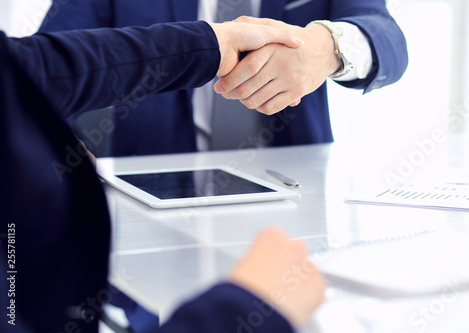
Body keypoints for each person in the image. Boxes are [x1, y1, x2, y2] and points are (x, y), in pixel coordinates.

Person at [0, 21, 326, 333]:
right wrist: (242, 308)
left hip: (299, 217)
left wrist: (212, 44)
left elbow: (32, 66)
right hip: (153, 257)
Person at [39, 0, 409, 155]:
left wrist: (329, 45)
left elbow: (387, 38)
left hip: (294, 198)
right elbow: (46, 68)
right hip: (149, 192)